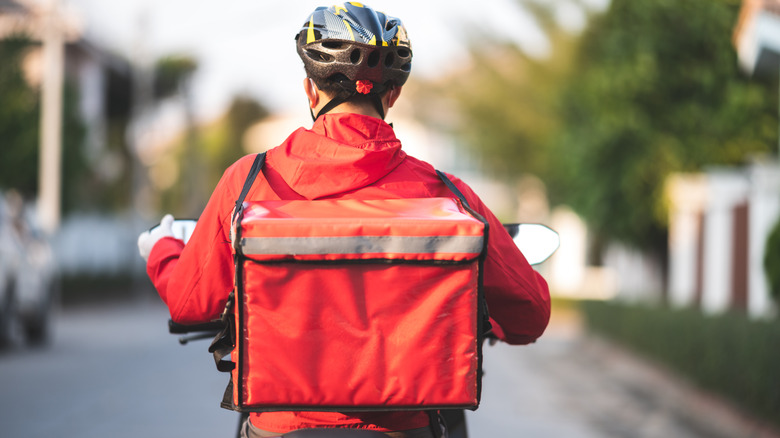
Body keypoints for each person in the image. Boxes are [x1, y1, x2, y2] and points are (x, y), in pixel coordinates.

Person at [138, 3, 550, 437]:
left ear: (310, 92)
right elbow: (531, 314)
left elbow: (189, 305)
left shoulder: (248, 181)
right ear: (393, 96)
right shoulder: (448, 194)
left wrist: (162, 250)